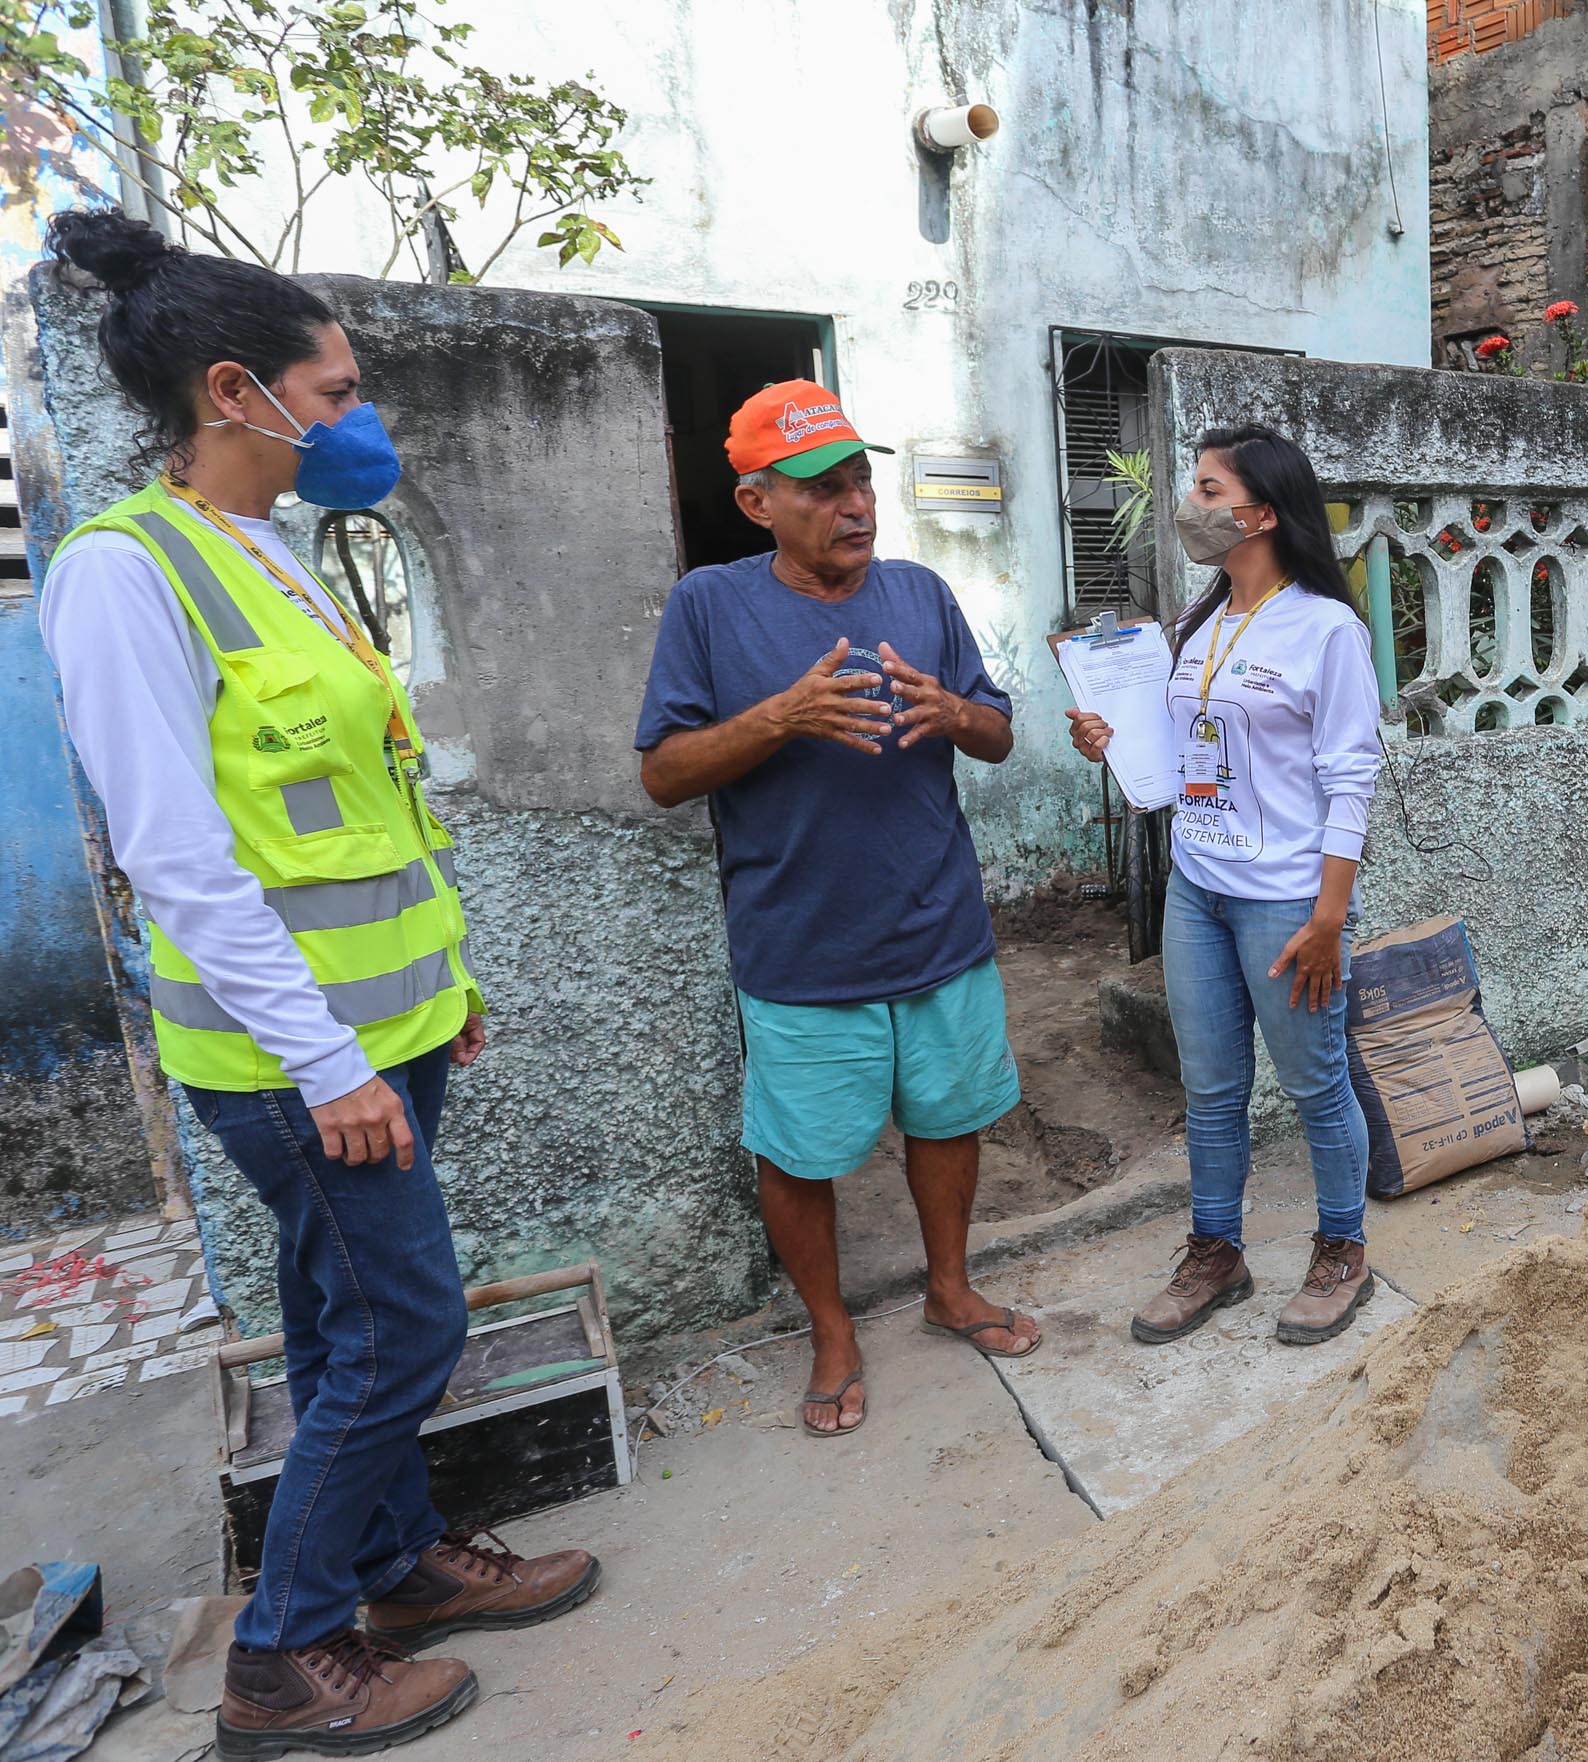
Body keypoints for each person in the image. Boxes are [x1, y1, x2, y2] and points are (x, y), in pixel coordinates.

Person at [37, 209, 596, 1758]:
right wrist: (332, 1065)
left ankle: (396, 1562)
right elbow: (184, 860)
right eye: (335, 391)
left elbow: (375, 805)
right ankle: (282, 1656)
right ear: (237, 390)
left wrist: (444, 985)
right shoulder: (123, 574)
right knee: (401, 1331)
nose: (360, 421)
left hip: (386, 1028)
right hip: (298, 1062)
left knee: (339, 1315)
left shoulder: (271, 551)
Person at [636, 381, 1041, 1439]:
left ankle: (949, 1290)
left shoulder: (919, 594)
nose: (854, 504)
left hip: (939, 926)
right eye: (821, 487)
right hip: (802, 946)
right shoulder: (711, 608)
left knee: (949, 1121)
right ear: (757, 500)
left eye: (861, 478)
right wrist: (780, 716)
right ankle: (831, 1327)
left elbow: (997, 732)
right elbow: (666, 773)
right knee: (801, 1153)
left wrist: (955, 711)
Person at [1064, 424, 1384, 1347]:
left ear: (1263, 513)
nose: (1189, 507)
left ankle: (1341, 1252)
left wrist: (1329, 917)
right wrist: (1109, 746)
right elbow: (1181, 756)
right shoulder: (1199, 623)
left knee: (1316, 1086)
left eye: (1208, 491)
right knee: (1210, 1091)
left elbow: (1350, 777)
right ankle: (1216, 1252)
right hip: (1196, 885)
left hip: (1287, 898)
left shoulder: (1327, 628)